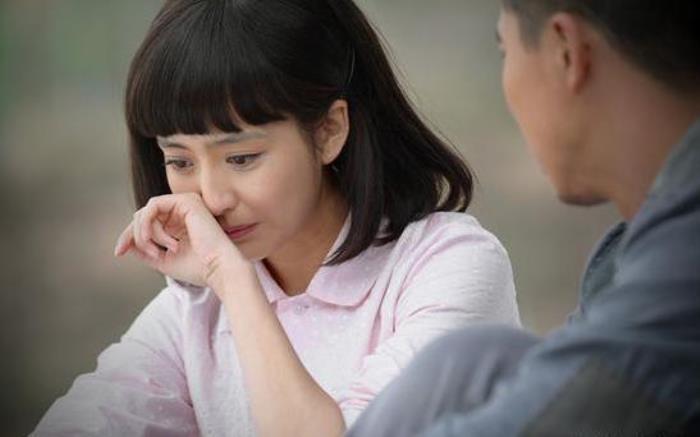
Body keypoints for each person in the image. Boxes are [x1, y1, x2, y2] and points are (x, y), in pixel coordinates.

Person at [31, 1, 521, 436]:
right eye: (180, 161)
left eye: (241, 158)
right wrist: (226, 283)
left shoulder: (449, 267)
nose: (211, 199)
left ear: (329, 131)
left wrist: (234, 282)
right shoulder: (191, 311)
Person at [347, 1, 700, 436]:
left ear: (566, 52)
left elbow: (560, 414)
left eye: (505, 52)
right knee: (469, 366)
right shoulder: (642, 258)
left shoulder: (683, 267)